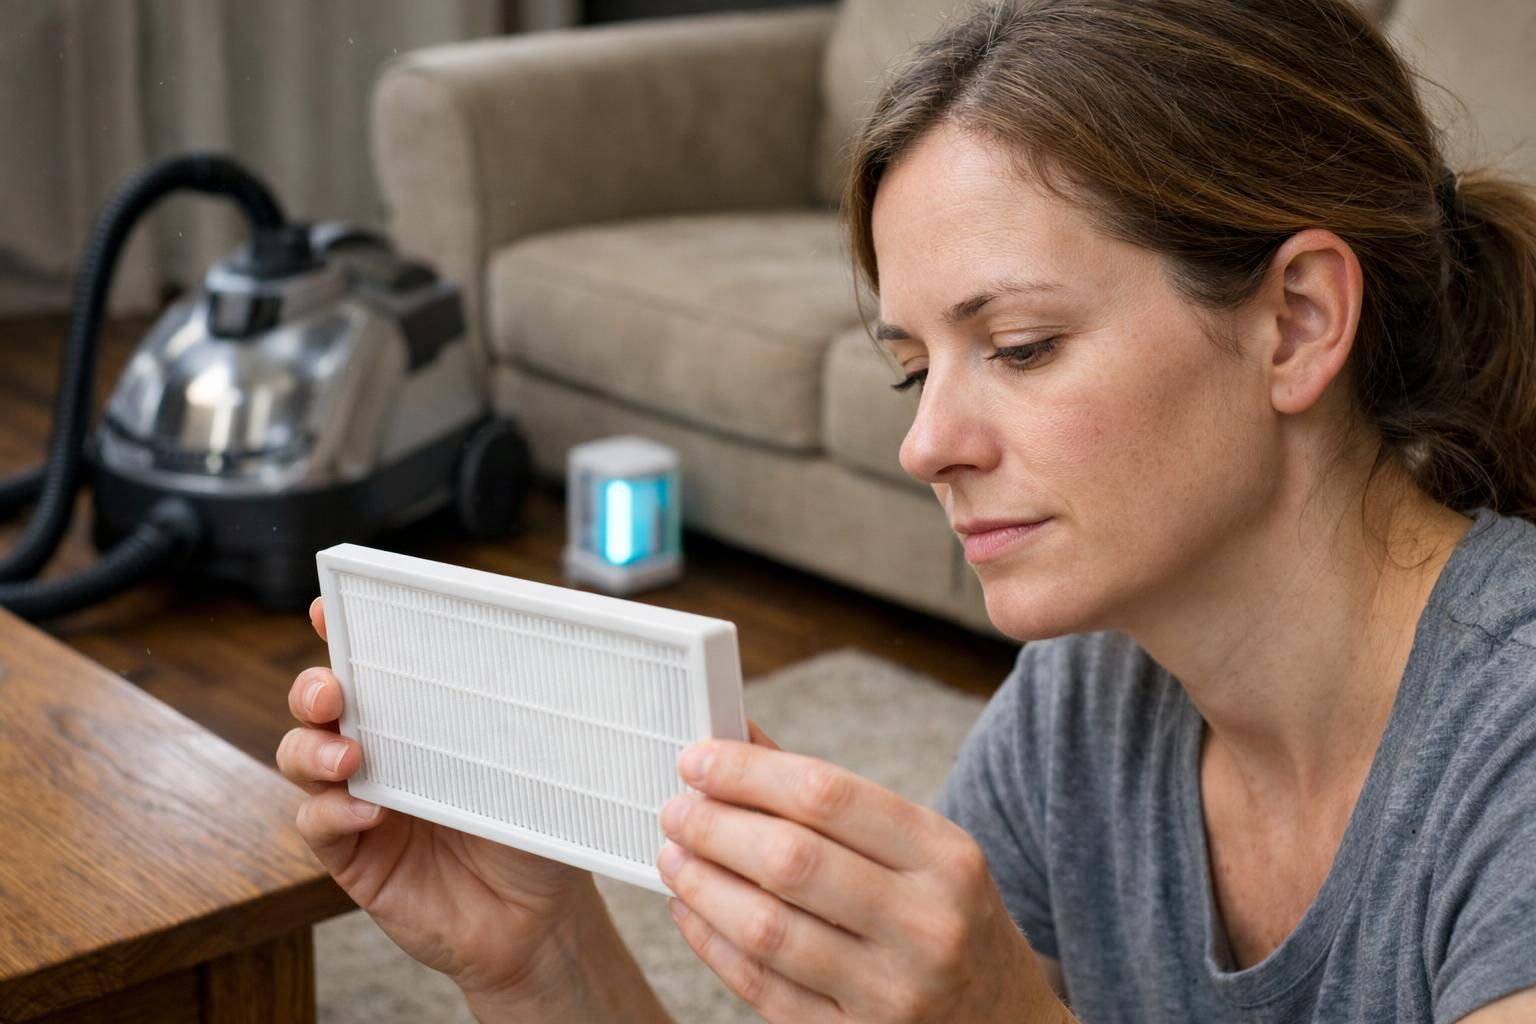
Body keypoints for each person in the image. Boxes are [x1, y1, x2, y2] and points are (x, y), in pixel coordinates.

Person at [276, 0, 1536, 1019]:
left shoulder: (1510, 752)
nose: (925, 442)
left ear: (1298, 321)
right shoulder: (1088, 699)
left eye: (1024, 344)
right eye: (912, 365)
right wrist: (540, 958)